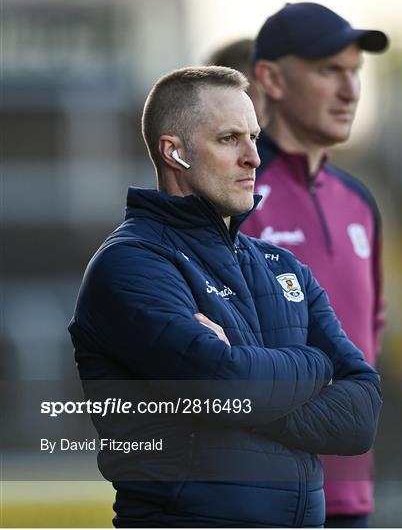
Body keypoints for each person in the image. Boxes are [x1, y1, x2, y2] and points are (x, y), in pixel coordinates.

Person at [68, 66, 382, 528]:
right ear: (175, 153)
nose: (254, 157)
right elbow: (226, 387)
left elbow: (362, 417)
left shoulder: (284, 267)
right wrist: (316, 365)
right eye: (230, 139)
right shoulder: (132, 265)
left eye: (254, 137)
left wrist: (252, 382)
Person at [238, 2, 389, 528]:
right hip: (263, 500)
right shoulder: (234, 198)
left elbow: (370, 338)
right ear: (271, 79)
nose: (350, 91)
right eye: (330, 71)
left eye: (355, 73)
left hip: (350, 500)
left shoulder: (359, 202)